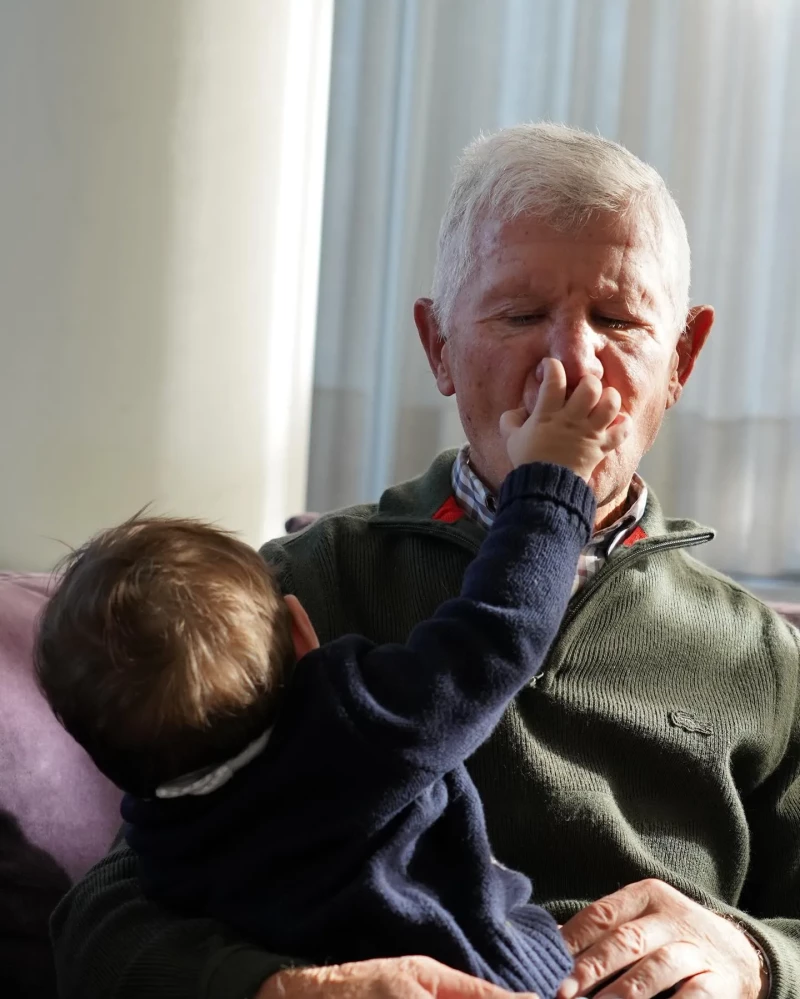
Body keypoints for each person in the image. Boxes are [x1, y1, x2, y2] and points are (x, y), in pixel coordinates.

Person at [50, 123, 800, 999]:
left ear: (682, 357)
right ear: (438, 346)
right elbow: (101, 924)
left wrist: (756, 957)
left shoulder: (759, 656)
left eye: (616, 318)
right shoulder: (294, 591)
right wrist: (288, 989)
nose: (569, 360)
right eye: (520, 315)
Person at [37, 360, 625, 999]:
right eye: (521, 313)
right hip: (499, 973)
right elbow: (500, 629)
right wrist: (551, 482)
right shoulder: (356, 723)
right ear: (300, 629)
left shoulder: (164, 835)